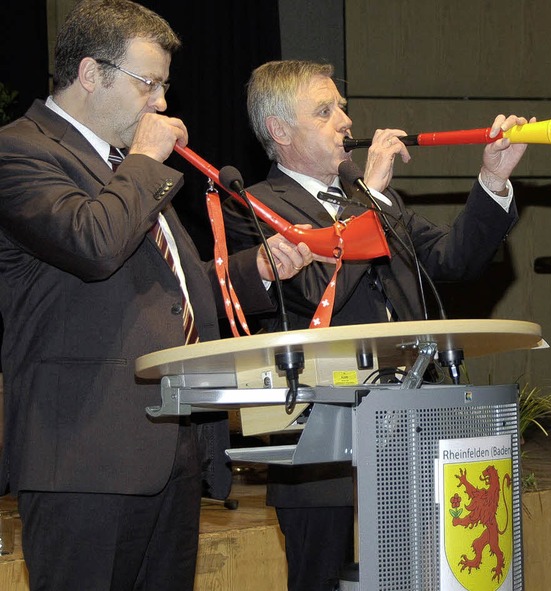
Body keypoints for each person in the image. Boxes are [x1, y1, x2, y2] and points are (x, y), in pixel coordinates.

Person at [0, 4, 317, 590]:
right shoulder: (21, 151)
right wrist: (145, 161)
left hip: (172, 450)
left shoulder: (126, 169)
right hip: (85, 459)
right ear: (92, 73)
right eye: (149, 84)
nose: (162, 103)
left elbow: (179, 290)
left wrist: (259, 269)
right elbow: (93, 243)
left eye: (165, 86)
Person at [222, 59, 533, 591]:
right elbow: (313, 294)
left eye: (341, 106)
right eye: (325, 111)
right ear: (279, 130)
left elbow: (454, 261)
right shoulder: (252, 205)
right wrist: (369, 199)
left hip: (412, 423)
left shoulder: (371, 198)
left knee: (424, 576)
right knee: (320, 577)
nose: (345, 120)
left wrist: (493, 179)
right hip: (320, 437)